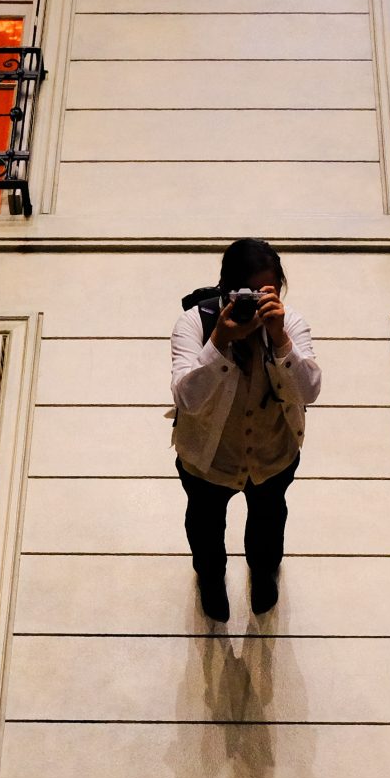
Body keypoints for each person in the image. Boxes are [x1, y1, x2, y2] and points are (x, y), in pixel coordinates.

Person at [170, 239, 323, 621]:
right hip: (208, 458)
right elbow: (187, 398)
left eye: (265, 291)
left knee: (269, 522)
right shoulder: (196, 323)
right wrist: (220, 341)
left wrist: (281, 337)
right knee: (204, 527)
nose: (255, 301)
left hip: (273, 453)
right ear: (227, 289)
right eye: (246, 292)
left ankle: (265, 571)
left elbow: (309, 391)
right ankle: (210, 577)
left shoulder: (292, 325)